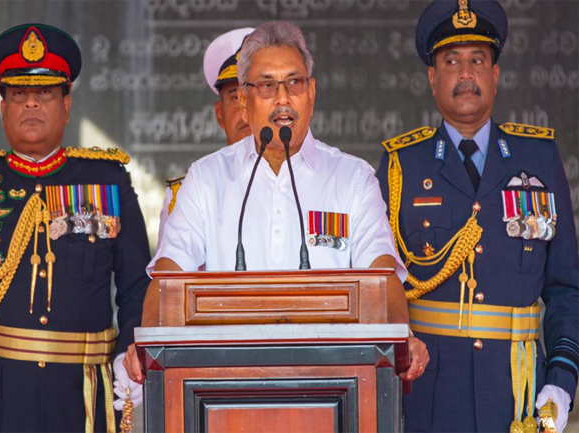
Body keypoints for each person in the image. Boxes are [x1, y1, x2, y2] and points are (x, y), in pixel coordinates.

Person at [125, 20, 429, 384]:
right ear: (243, 98)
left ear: (311, 93)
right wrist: (150, 340)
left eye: (294, 83)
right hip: (224, 384)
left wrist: (401, 336)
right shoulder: (206, 179)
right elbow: (168, 276)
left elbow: (381, 275)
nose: (283, 98)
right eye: (267, 85)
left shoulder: (352, 179)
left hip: (333, 382)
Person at [0, 23, 151, 432]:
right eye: (18, 95)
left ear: (67, 105)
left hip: (83, 403)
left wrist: (128, 358)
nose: (31, 104)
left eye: (45, 93)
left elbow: (138, 286)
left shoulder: (108, 179)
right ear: (3, 108)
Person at [376, 1, 578, 432]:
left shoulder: (538, 158)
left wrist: (561, 380)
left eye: (477, 60)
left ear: (495, 75)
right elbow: (380, 286)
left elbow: (565, 288)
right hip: (429, 394)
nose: (466, 74)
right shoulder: (401, 166)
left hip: (518, 391)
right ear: (433, 79)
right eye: (451, 61)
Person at [157, 28, 253, 247]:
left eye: (254, 95)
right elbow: (171, 277)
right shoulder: (187, 192)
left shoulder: (298, 182)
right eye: (236, 96)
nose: (246, 110)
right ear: (220, 114)